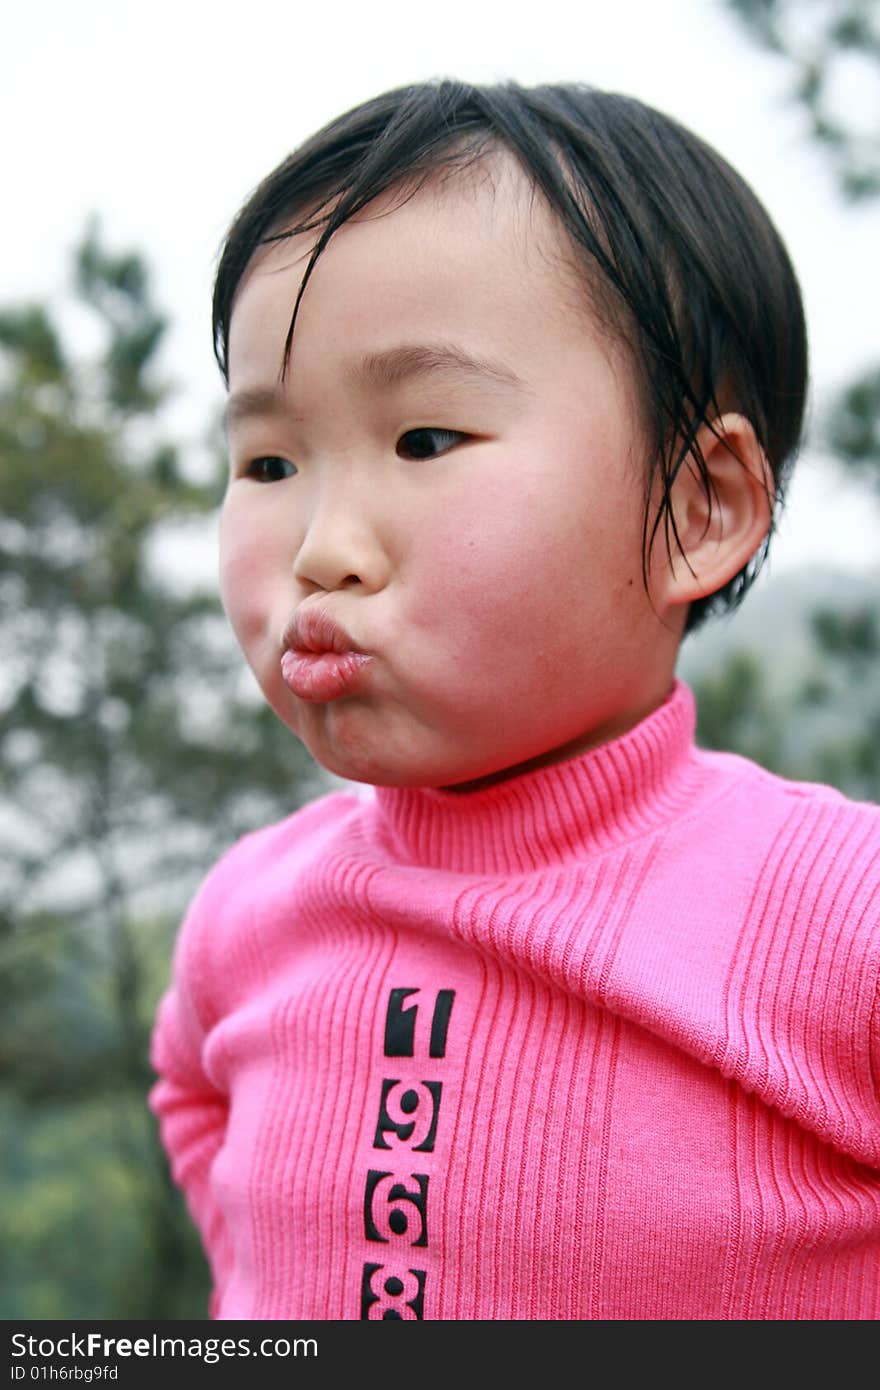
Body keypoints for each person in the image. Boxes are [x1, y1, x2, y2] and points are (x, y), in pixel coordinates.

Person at [148, 78, 880, 1320]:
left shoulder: (835, 910)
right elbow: (191, 1090)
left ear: (700, 508)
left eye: (424, 439)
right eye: (267, 461)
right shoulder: (246, 913)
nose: (323, 544)